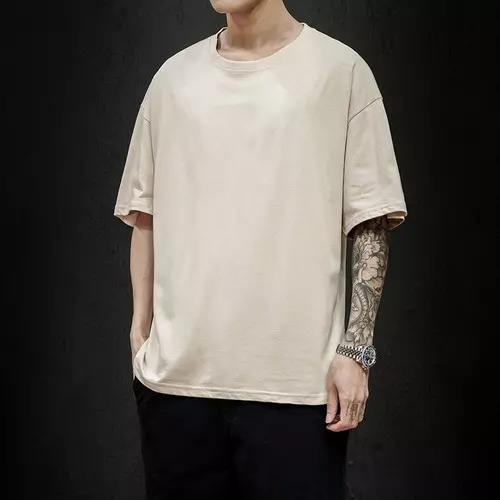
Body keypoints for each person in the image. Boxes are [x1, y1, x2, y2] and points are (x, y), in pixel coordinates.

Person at [113, 1, 407, 499]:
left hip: (296, 390)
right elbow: (145, 213)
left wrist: (355, 351)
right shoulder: (172, 81)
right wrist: (141, 334)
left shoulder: (341, 72)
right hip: (178, 389)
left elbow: (371, 220)